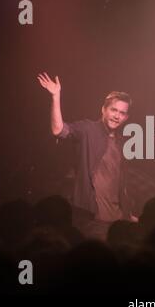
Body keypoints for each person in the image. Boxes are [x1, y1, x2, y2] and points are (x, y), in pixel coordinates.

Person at [37, 72, 136, 239]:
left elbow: (118, 183)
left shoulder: (121, 142)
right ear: (103, 110)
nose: (117, 115)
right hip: (92, 221)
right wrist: (56, 96)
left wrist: (128, 214)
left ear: (126, 117)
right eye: (113, 110)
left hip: (118, 221)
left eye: (122, 113)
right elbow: (58, 130)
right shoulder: (88, 129)